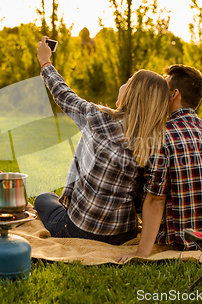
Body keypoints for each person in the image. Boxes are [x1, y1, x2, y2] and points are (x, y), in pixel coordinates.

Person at [34, 36, 170, 245]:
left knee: (44, 198)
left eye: (128, 83)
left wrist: (45, 61)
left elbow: (63, 93)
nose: (123, 85)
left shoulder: (99, 118)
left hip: (81, 229)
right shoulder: (156, 140)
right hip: (124, 233)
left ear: (132, 93)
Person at [116, 64, 202, 262]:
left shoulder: (161, 136)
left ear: (174, 94)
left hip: (186, 240)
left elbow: (156, 200)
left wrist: (141, 254)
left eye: (162, 89)